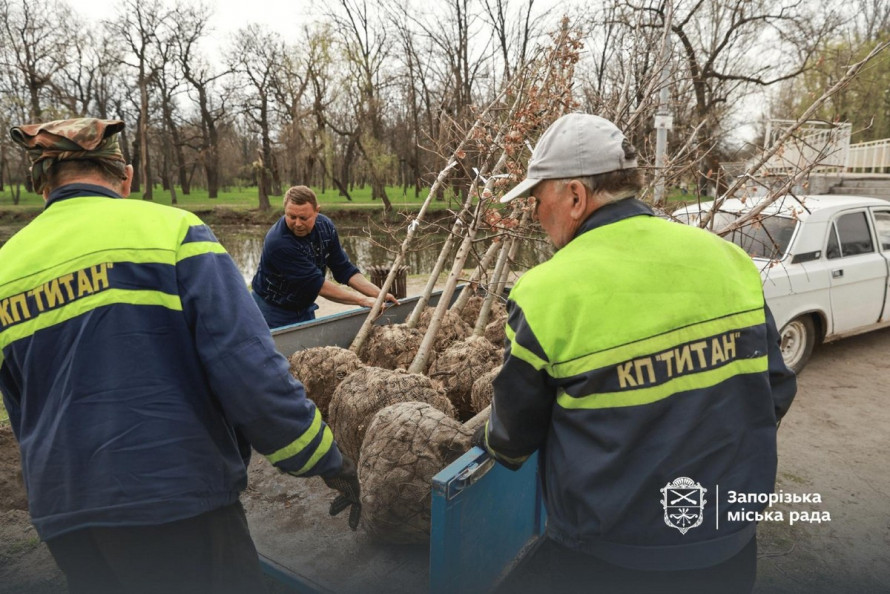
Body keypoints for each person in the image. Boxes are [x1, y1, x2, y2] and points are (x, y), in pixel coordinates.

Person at [0, 117, 360, 594]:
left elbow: (24, 408)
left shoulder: (8, 267)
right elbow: (250, 372)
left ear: (41, 186)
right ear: (124, 176)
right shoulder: (171, 233)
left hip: (66, 518)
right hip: (176, 502)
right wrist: (328, 460)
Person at [474, 113, 797, 593]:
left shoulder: (546, 292)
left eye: (539, 201)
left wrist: (483, 440)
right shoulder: (728, 260)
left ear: (576, 197)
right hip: (727, 545)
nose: (536, 216)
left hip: (608, 558)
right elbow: (774, 391)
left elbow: (513, 439)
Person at [251, 185, 398, 328]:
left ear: (316, 211)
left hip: (303, 306)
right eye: (292, 216)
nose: (297, 224)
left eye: (303, 217)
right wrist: (363, 300)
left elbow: (343, 269)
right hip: (271, 310)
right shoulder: (279, 242)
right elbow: (317, 285)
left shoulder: (325, 226)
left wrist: (379, 294)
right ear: (285, 211)